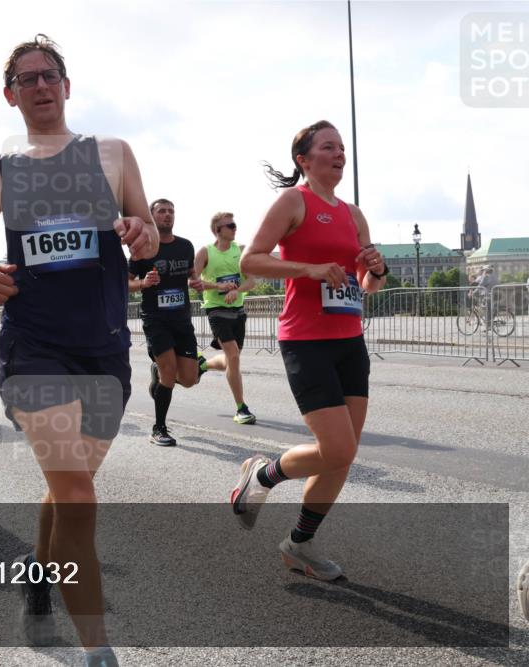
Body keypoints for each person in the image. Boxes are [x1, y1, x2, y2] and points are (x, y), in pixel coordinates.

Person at [0, 35, 158, 667]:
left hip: (104, 349)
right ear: (9, 94)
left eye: (50, 76)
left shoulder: (113, 156)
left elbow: (147, 236)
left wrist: (139, 231)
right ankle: (98, 651)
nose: (40, 87)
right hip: (34, 345)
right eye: (27, 79)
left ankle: (39, 578)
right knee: (77, 493)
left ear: (67, 87)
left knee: (70, 485)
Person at [232, 120, 387, 581]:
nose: (339, 154)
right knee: (335, 446)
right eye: (328, 147)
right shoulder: (293, 201)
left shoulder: (354, 215)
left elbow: (367, 286)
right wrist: (310, 269)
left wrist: (376, 270)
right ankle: (261, 477)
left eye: (342, 147)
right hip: (306, 340)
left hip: (349, 340)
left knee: (344, 453)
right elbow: (251, 260)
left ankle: (299, 545)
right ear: (304, 158)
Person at [127, 198, 205, 447]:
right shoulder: (143, 248)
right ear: (152, 216)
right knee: (169, 374)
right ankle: (158, 428)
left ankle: (157, 376)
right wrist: (142, 283)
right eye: (162, 211)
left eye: (171, 211)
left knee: (190, 380)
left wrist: (196, 282)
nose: (167, 215)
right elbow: (124, 282)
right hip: (155, 319)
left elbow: (192, 275)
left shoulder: (185, 246)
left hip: (181, 319)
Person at [194, 212, 257, 424]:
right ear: (217, 231)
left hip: (238, 312)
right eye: (229, 225)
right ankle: (241, 408)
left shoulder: (241, 251)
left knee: (233, 358)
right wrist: (218, 286)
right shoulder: (206, 252)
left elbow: (252, 282)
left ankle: (202, 366)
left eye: (234, 224)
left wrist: (237, 291)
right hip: (216, 310)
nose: (234, 227)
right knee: (234, 356)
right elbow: (192, 281)